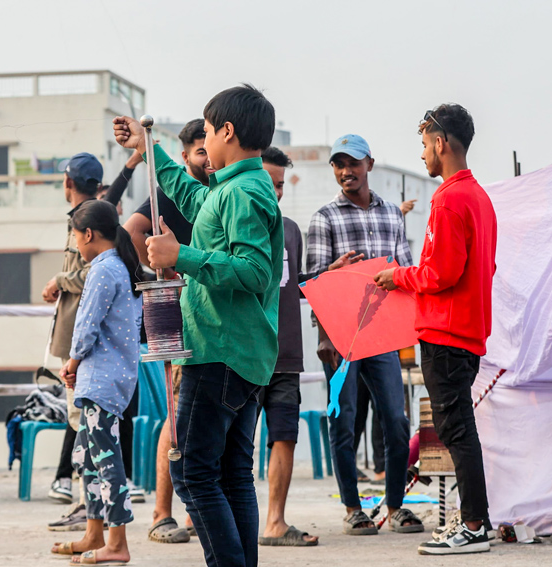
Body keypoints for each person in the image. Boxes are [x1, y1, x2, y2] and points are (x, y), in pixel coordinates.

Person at [114, 84, 284, 567]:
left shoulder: (245, 194)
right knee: (230, 475)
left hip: (220, 351)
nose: (204, 138)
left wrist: (180, 255)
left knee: (191, 473)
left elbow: (253, 271)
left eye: (207, 130)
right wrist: (151, 152)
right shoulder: (232, 188)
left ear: (227, 132)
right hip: (238, 353)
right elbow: (190, 197)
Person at [375, 104, 497, 555]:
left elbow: (439, 272)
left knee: (456, 430)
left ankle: (473, 525)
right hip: (467, 331)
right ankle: (475, 522)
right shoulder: (479, 197)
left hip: (446, 334)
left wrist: (398, 276)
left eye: (425, 145)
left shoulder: (448, 198)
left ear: (442, 144)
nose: (424, 154)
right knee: (459, 426)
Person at [307, 134, 422, 536]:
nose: (345, 172)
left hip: (383, 333)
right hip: (340, 337)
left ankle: (396, 506)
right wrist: (324, 339)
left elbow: (405, 271)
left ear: (369, 164)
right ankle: (353, 508)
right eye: (338, 165)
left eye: (353, 164)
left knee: (395, 419)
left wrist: (411, 330)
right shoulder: (325, 217)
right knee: (345, 422)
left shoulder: (392, 214)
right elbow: (314, 284)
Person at [123, 118, 210, 544]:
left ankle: (197, 512)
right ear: (184, 156)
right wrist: (171, 269)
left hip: (214, 318)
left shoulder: (220, 194)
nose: (208, 158)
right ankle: (161, 513)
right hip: (179, 315)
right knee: (177, 415)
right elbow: (132, 231)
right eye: (199, 152)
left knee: (203, 416)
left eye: (209, 148)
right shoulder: (174, 195)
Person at [45, 152, 141, 530]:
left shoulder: (103, 269)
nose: (73, 243)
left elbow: (85, 325)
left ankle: (114, 538)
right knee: (89, 455)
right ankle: (94, 531)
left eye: (74, 236)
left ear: (87, 235)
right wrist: (130, 165)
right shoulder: (117, 263)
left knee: (104, 460)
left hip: (97, 375)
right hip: (102, 376)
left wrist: (71, 361)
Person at [257, 147, 319, 547]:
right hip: (243, 355)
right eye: (269, 183)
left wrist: (332, 275)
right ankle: (229, 519)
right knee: (234, 441)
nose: (275, 192)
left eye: (280, 185)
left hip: (285, 354)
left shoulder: (292, 230)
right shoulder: (229, 222)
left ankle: (275, 522)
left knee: (285, 434)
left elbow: (297, 283)